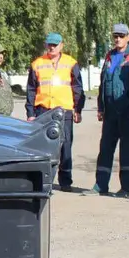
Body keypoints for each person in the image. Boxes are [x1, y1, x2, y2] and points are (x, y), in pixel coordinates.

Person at [25, 32, 85, 192]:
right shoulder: (37, 64)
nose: (52, 47)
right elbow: (31, 89)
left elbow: (77, 88)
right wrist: (30, 112)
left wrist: (78, 109)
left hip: (64, 110)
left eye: (55, 45)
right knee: (43, 146)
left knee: (65, 146)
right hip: (42, 110)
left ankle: (65, 181)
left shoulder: (71, 63)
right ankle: (44, 180)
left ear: (61, 46)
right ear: (46, 45)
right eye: (49, 44)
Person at [92, 23, 129, 198]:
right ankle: (100, 185)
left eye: (121, 36)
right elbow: (103, 83)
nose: (118, 39)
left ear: (128, 37)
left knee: (127, 148)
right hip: (110, 111)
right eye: (115, 35)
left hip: (126, 110)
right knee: (105, 147)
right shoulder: (109, 56)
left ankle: (127, 188)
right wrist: (101, 107)